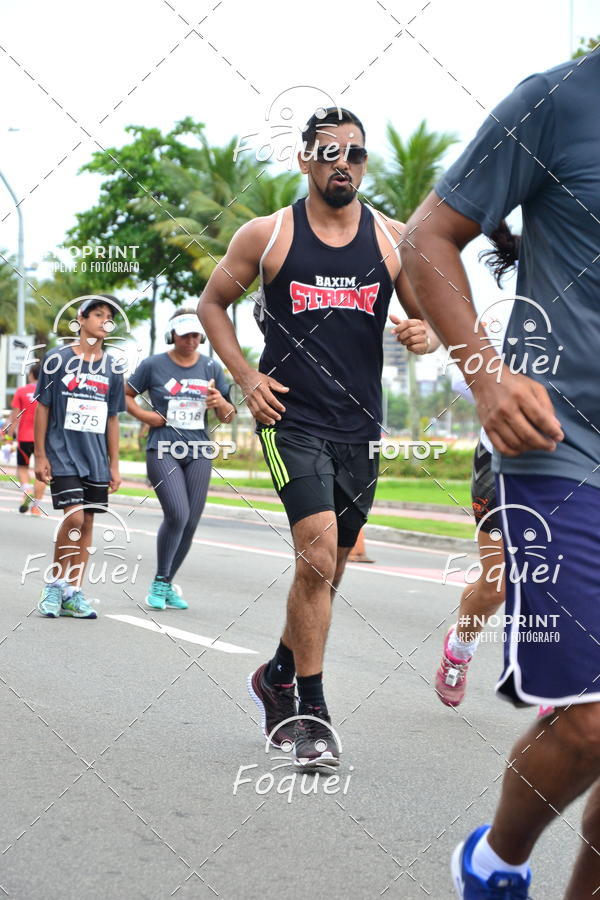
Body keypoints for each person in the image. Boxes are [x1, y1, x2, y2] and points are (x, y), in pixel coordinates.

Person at [402, 52, 600, 900]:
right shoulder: (558, 101)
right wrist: (485, 374)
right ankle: (495, 865)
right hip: (561, 438)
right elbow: (426, 238)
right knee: (593, 721)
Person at [199, 106, 439, 768]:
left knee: (327, 567)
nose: (344, 164)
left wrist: (424, 334)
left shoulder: (393, 240)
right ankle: (310, 712)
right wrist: (246, 377)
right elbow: (211, 303)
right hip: (289, 419)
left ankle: (277, 672)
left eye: (356, 154)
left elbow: (426, 321)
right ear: (305, 161)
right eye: (330, 153)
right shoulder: (269, 235)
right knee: (317, 550)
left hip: (359, 427)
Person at [126, 308, 235, 610]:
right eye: (185, 334)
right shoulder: (153, 365)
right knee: (177, 513)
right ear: (172, 334)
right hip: (163, 448)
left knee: (191, 522)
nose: (191, 340)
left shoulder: (211, 367)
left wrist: (220, 402)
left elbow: (227, 416)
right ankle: (162, 580)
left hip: (199, 449)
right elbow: (124, 395)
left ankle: (165, 582)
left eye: (196, 334)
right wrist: (148, 416)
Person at [34, 296, 125, 618]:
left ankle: (74, 591)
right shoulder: (57, 360)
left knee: (87, 521)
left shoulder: (113, 367)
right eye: (98, 314)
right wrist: (40, 454)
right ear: (81, 319)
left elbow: (113, 417)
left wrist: (114, 464)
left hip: (96, 457)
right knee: (73, 517)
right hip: (62, 453)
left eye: (109, 316)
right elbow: (42, 407)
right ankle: (55, 584)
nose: (104, 321)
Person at [8, 362, 46, 515]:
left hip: (24, 437)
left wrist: (9, 435)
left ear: (31, 375)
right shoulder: (48, 391)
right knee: (41, 472)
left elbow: (15, 416)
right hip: (43, 439)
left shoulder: (21, 391)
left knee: (22, 468)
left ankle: (26, 488)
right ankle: (36, 507)